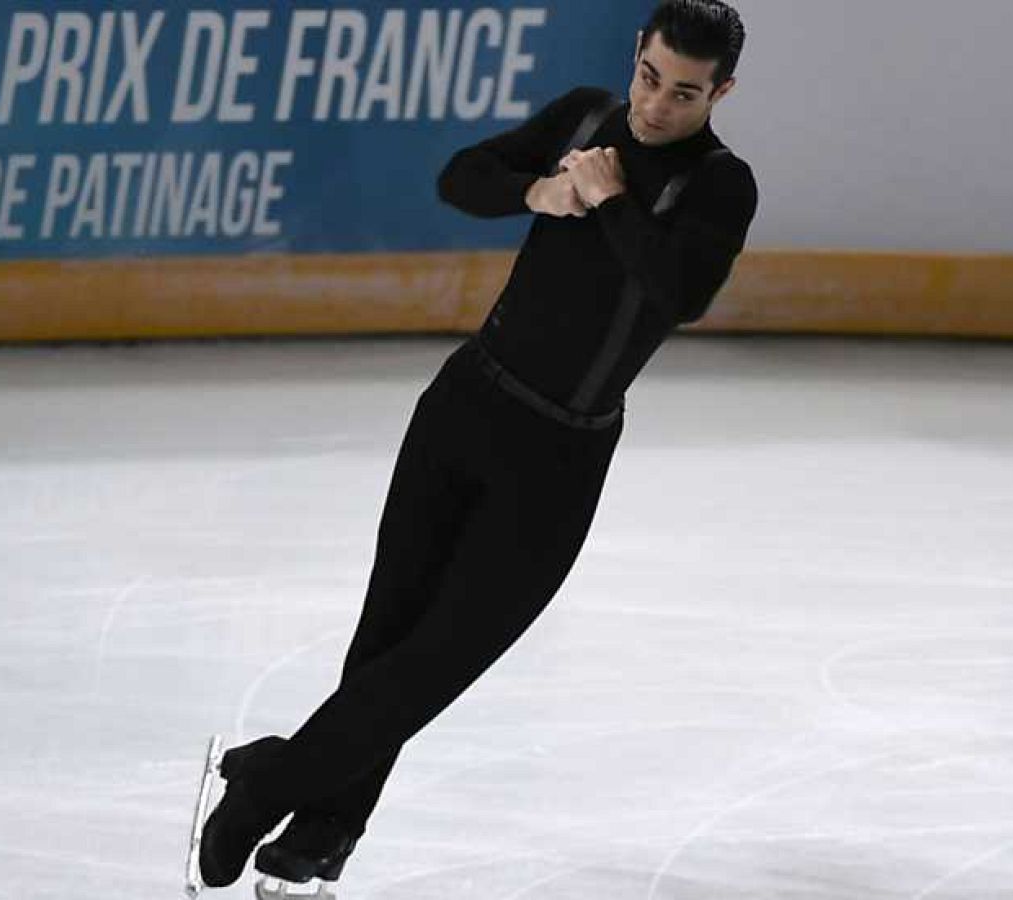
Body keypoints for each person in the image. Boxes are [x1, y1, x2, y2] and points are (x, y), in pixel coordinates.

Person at [198, 0, 759, 890]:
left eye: (685, 93)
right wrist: (535, 190)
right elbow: (461, 177)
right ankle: (320, 835)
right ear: (636, 57)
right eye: (650, 78)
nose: (656, 107)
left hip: (562, 452)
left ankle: (269, 778)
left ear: (720, 91)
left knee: (444, 656)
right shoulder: (583, 116)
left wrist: (608, 200)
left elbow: (676, 291)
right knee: (387, 639)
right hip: (464, 405)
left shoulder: (722, 184)